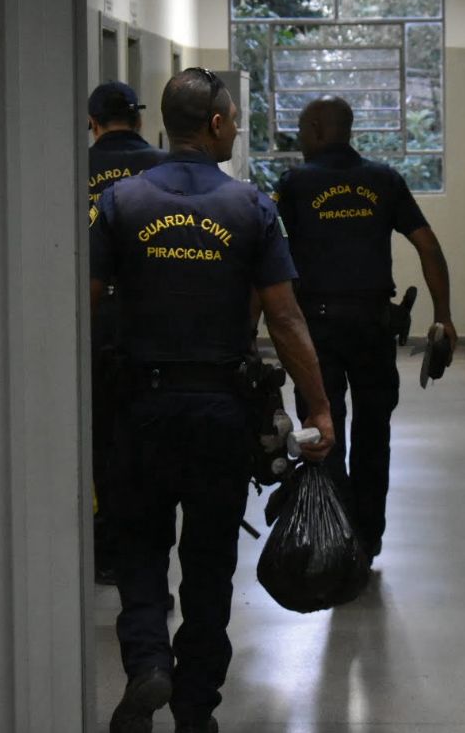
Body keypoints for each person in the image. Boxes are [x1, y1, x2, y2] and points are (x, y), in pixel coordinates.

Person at [90, 68, 334, 733]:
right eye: (235, 120)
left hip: (138, 406)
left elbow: (86, 305)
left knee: (139, 546)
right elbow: (285, 319)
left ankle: (147, 660)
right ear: (217, 124)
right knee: (209, 562)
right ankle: (195, 705)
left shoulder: (120, 203)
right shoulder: (250, 207)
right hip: (220, 412)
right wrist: (317, 407)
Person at [273, 95, 455, 563]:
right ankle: (369, 539)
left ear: (317, 128)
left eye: (301, 128)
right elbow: (429, 246)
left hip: (316, 331)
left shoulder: (295, 184)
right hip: (373, 327)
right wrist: (444, 315)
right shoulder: (384, 179)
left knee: (323, 430)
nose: (300, 137)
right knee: (375, 435)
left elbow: (267, 258)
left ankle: (338, 545)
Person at [86, 81, 168, 584]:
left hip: (93, 315)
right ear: (138, 120)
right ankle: (147, 542)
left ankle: (106, 545)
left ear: (92, 123)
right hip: (154, 317)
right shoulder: (164, 167)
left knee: (99, 432)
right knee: (149, 433)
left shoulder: (74, 168)